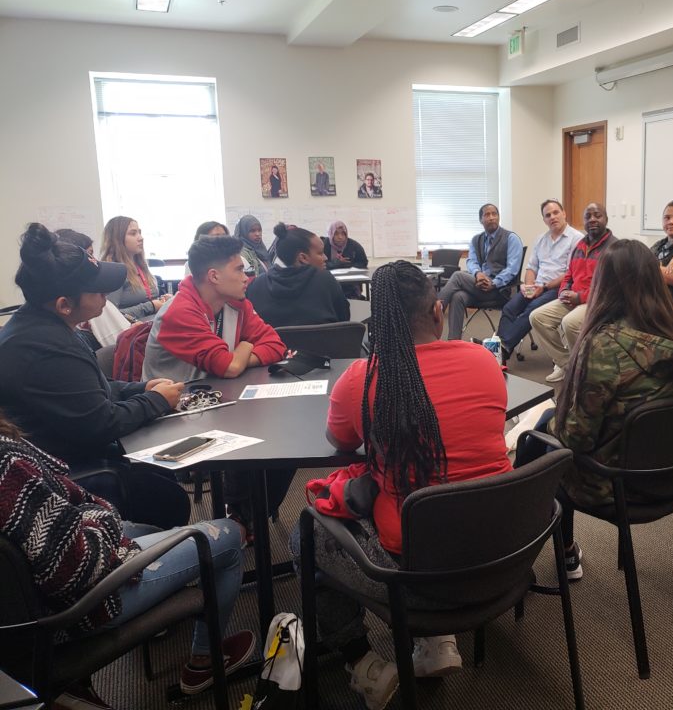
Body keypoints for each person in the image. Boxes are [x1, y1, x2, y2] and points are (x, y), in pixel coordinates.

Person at [292, 261, 511, 709]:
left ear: (377, 326)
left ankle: (363, 663)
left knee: (305, 534)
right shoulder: (484, 361)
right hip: (503, 552)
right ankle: (436, 641)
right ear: (437, 311)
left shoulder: (363, 378)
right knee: (446, 496)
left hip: (413, 574)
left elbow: (340, 441)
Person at [0, 410, 256, 709]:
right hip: (84, 603)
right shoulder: (7, 467)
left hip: (23, 614)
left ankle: (73, 686)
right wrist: (103, 517)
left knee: (151, 529)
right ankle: (205, 661)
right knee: (228, 534)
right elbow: (74, 570)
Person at [516, 239, 673, 579]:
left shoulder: (604, 344)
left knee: (537, 440)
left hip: (617, 483)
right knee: (547, 428)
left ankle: (532, 553)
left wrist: (542, 427)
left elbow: (575, 440)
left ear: (604, 285)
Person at [0, 224, 188, 528]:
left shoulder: (43, 327)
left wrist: (141, 387)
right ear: (64, 304)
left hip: (71, 454)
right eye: (97, 290)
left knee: (164, 472)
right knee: (170, 500)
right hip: (68, 479)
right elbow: (102, 424)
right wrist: (156, 401)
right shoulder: (46, 350)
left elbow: (89, 390)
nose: (105, 296)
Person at [142, 234, 288, 538]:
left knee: (286, 440)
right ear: (214, 276)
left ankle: (241, 517)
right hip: (172, 415)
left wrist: (244, 350)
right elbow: (227, 366)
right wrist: (245, 348)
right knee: (269, 440)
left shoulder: (237, 304)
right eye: (239, 269)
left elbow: (275, 344)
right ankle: (242, 519)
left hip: (218, 402)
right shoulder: (180, 312)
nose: (247, 277)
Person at [529, 202, 615, 383]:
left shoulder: (613, 248)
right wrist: (564, 291)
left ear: (606, 219)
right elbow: (569, 273)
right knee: (537, 317)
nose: (592, 219)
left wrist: (580, 297)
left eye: (597, 215)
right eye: (588, 216)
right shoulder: (581, 245)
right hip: (573, 298)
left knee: (569, 323)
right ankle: (569, 365)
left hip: (598, 301)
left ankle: (586, 368)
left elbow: (609, 286)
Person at [495, 200, 584, 361]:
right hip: (538, 286)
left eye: (556, 212)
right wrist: (528, 286)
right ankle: (500, 349)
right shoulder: (540, 239)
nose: (552, 217)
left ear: (564, 213)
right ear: (544, 220)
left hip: (559, 288)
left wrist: (543, 287)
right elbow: (531, 267)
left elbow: (570, 273)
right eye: (548, 215)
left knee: (532, 309)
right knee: (509, 308)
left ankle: (502, 349)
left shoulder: (577, 239)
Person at [438, 203, 523, 341]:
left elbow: (512, 270)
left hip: (500, 290)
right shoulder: (476, 240)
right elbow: (471, 261)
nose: (491, 218)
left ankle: (435, 311)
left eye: (494, 214)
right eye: (487, 215)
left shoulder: (511, 238)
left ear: (499, 217)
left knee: (458, 276)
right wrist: (478, 274)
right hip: (478, 287)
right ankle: (454, 342)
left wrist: (494, 283)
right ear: (480, 220)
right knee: (457, 296)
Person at [246, 223, 350, 327]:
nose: (325, 258)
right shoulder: (326, 280)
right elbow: (344, 319)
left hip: (275, 343)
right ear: (303, 258)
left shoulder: (256, 286)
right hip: (323, 342)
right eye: (320, 253)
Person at [100, 215, 171, 320]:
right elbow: (110, 317)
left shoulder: (140, 266)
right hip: (132, 333)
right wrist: (150, 306)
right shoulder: (113, 272)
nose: (141, 238)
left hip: (153, 327)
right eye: (133, 233)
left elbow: (149, 300)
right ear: (117, 239)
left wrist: (163, 300)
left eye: (140, 232)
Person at [323, 220, 370, 298]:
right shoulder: (325, 245)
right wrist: (336, 263)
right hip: (329, 283)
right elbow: (319, 265)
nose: (340, 237)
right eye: (336, 233)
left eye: (343, 233)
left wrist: (348, 265)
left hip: (351, 285)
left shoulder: (354, 245)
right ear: (331, 234)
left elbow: (363, 263)